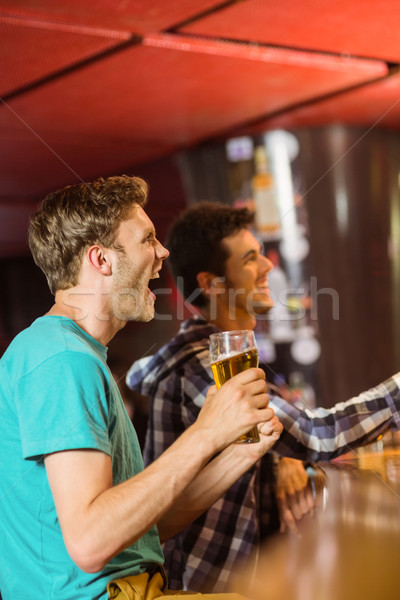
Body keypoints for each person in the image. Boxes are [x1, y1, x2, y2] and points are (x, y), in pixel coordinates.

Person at [0, 176, 285, 600]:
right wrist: (206, 432)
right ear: (101, 260)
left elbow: (143, 530)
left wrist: (240, 452)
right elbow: (91, 541)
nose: (163, 252)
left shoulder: (74, 353)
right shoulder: (63, 360)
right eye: (147, 239)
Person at [126, 201, 400, 593]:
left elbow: (267, 435)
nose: (269, 266)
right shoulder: (207, 363)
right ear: (211, 283)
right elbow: (317, 435)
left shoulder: (220, 351)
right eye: (251, 258)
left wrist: (280, 458)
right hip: (202, 583)